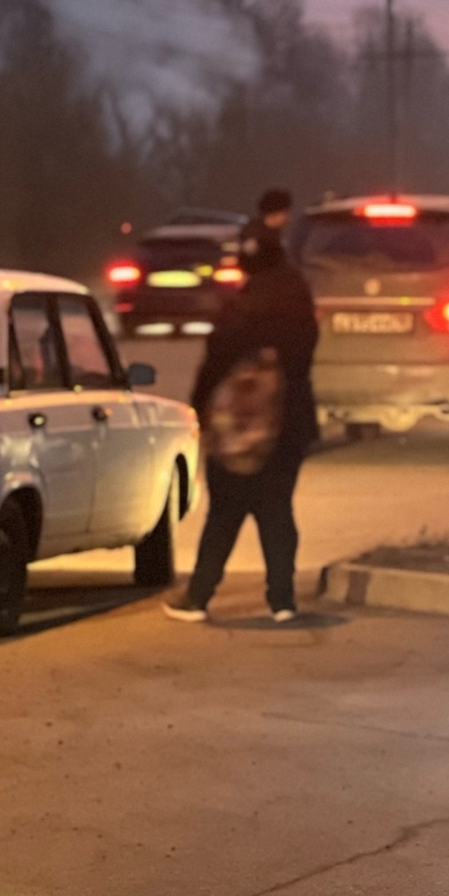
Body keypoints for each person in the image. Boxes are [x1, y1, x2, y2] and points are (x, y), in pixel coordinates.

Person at [163, 223, 319, 623]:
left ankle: (199, 596)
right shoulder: (299, 302)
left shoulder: (239, 308)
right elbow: (304, 360)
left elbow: (214, 364)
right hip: (288, 421)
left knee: (225, 513)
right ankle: (282, 600)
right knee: (277, 510)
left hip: (235, 426)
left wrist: (201, 408)